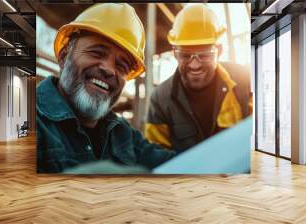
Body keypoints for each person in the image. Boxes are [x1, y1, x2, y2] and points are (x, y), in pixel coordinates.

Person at [36, 3, 175, 173]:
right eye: (97, 53)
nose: (109, 70)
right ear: (64, 57)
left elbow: (181, 165)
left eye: (121, 65)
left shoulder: (124, 135)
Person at [145, 4, 252, 153]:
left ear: (219, 51)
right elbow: (156, 157)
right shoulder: (160, 99)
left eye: (205, 55)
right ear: (175, 54)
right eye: (185, 55)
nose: (194, 65)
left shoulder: (244, 81)